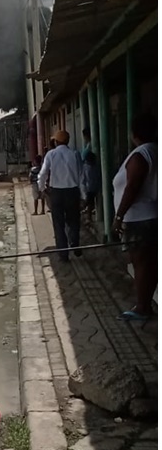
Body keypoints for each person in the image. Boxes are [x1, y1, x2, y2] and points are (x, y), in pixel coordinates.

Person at [112, 113, 157, 322]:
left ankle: (143, 307)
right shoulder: (153, 151)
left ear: (134, 133)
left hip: (139, 219)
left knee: (141, 263)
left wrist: (118, 216)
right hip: (148, 216)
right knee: (148, 263)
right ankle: (145, 303)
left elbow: (132, 188)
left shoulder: (141, 154)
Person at [38, 129, 83, 262]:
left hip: (56, 193)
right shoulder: (75, 154)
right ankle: (74, 242)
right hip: (72, 192)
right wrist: (83, 195)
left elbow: (43, 173)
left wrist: (42, 189)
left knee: (58, 224)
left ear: (56, 142)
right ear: (68, 141)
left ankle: (63, 254)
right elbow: (81, 176)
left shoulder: (51, 154)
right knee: (74, 220)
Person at [81, 151, 101, 219]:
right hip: (91, 188)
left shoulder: (86, 167)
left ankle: (87, 217)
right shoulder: (94, 167)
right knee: (89, 203)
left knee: (90, 203)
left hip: (90, 188)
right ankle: (86, 216)